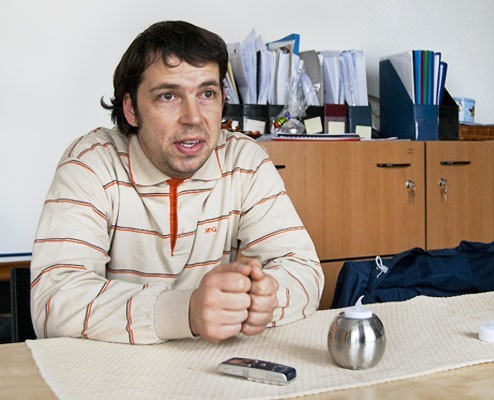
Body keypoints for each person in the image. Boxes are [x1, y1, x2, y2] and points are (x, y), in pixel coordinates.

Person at [30, 20, 323, 344]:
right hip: (114, 369)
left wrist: (265, 299)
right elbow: (53, 304)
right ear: (131, 108)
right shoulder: (91, 164)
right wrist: (186, 312)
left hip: (214, 365)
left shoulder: (245, 161)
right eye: (168, 96)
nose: (194, 118)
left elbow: (304, 272)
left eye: (207, 94)